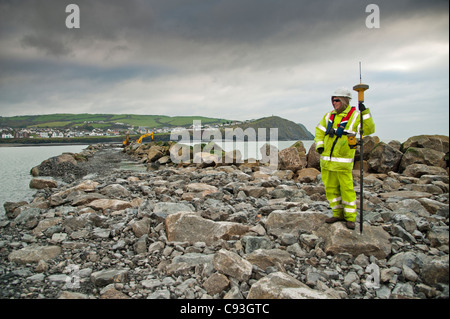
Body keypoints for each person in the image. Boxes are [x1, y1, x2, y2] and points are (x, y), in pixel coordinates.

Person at [315, 88, 375, 229]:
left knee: (347, 190)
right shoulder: (328, 116)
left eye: (337, 100)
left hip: (343, 163)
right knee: (331, 190)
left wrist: (364, 112)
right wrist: (320, 145)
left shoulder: (355, 116)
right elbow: (319, 132)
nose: (334, 103)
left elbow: (369, 129)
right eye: (333, 100)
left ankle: (350, 218)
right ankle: (337, 214)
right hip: (326, 163)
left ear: (344, 101)